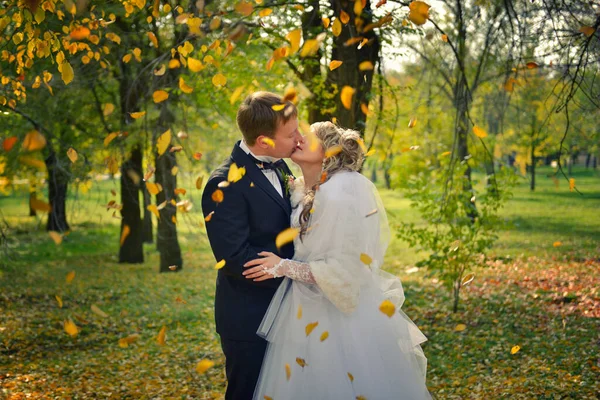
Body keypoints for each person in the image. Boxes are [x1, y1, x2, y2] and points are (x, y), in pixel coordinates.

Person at [243, 121, 432, 399]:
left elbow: (345, 268)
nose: (299, 139)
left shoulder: (342, 192)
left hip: (339, 317)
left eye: (309, 137)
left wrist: (283, 267)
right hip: (302, 310)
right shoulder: (307, 190)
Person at [201, 91, 303, 399]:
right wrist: (293, 271)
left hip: (290, 309)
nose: (300, 138)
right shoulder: (224, 184)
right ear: (264, 141)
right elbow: (234, 256)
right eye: (291, 134)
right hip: (249, 317)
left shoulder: (281, 166)